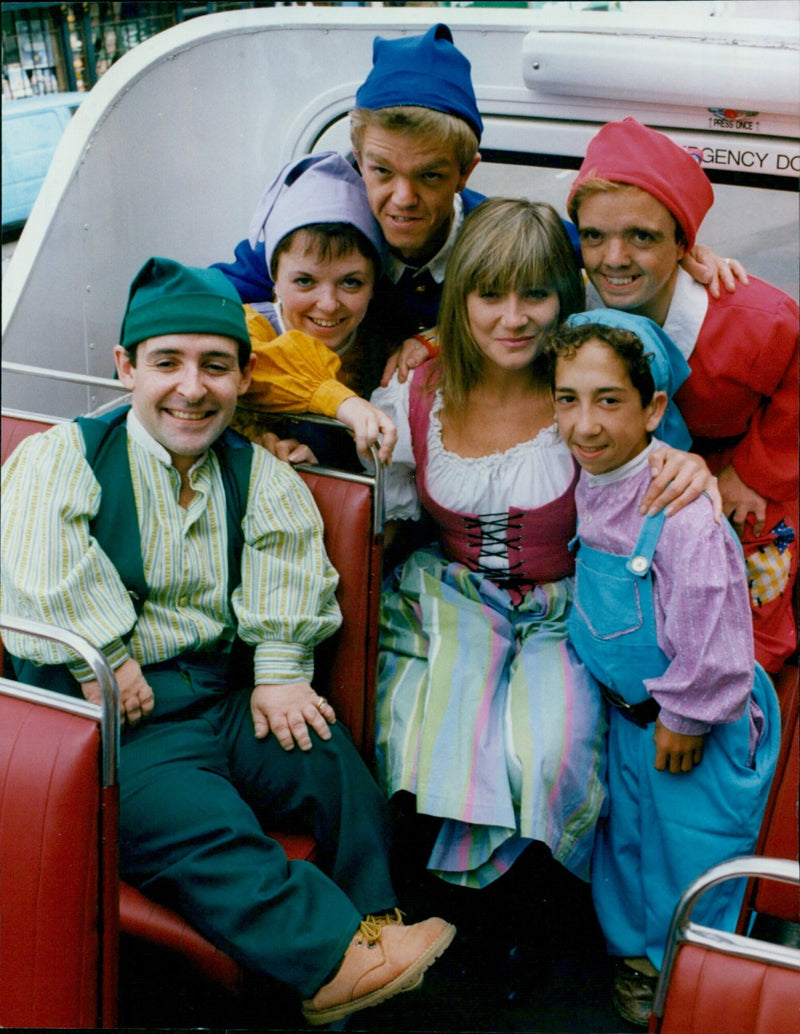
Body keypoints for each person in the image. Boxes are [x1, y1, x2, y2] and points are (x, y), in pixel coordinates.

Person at [0, 257, 454, 1027]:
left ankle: (376, 927)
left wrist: (278, 672)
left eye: (216, 366)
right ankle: (329, 962)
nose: (191, 386)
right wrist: (105, 655)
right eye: (166, 363)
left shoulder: (256, 474)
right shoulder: (67, 456)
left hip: (218, 690)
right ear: (126, 369)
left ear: (244, 378)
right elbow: (41, 563)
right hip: (117, 716)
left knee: (329, 762)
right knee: (196, 820)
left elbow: (287, 564)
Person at [368, 198, 719, 895]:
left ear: (566, 298)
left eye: (537, 294)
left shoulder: (582, 393)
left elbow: (657, 467)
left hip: (570, 605)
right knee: (422, 732)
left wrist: (695, 467)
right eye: (489, 294)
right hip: (452, 592)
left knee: (551, 750)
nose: (513, 317)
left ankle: (533, 912)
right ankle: (443, 908)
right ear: (460, 297)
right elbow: (380, 507)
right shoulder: (419, 388)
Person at [546, 309, 779, 1027]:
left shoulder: (680, 511)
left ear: (653, 408)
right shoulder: (592, 475)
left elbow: (713, 626)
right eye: (567, 398)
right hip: (628, 717)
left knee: (692, 849)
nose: (584, 423)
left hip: (691, 722)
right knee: (629, 838)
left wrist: (685, 716)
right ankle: (640, 959)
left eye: (608, 400)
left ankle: (700, 975)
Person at [567, 117, 798, 674]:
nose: (613, 257)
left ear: (683, 243)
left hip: (744, 484)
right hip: (635, 491)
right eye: (594, 236)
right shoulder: (578, 312)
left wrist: (751, 475)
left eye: (642, 237)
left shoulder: (753, 320)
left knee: (742, 637)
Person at [233, 150, 397, 468]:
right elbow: (255, 364)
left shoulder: (383, 352)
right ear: (274, 279)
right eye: (305, 281)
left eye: (351, 283)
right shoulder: (248, 327)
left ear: (374, 284)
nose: (328, 304)